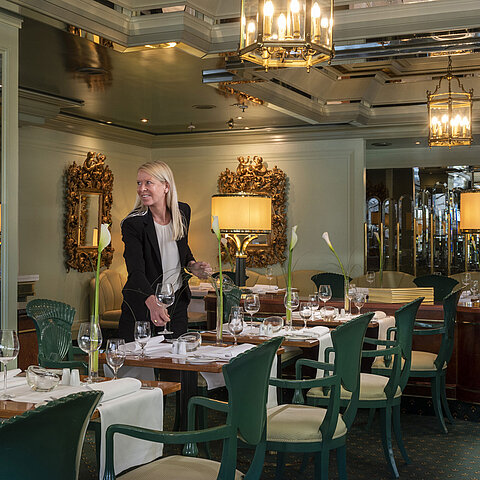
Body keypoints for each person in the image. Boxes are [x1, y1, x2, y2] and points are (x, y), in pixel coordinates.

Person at [119, 161, 212, 342]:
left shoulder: (182, 212)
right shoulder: (133, 224)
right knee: (141, 365)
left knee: (178, 363)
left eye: (148, 183)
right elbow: (135, 272)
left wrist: (192, 266)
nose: (141, 189)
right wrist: (153, 304)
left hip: (176, 303)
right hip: (143, 305)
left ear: (166, 186)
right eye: (139, 183)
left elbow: (181, 249)